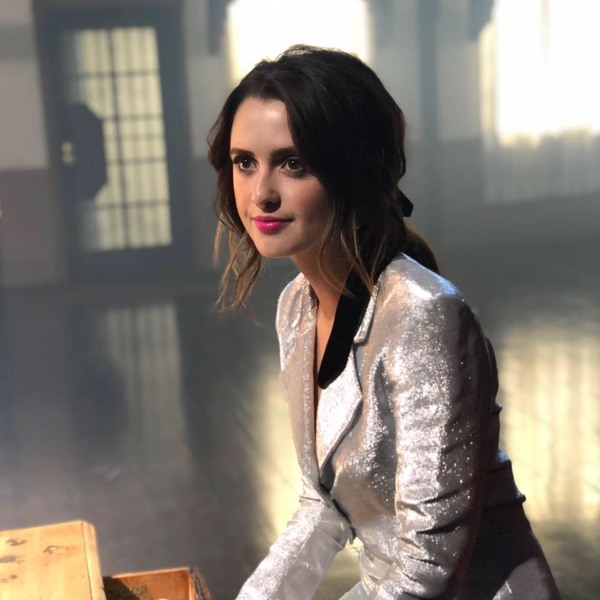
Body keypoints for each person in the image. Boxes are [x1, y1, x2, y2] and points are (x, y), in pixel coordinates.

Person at [208, 45, 560, 600]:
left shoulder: (425, 315)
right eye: (244, 162)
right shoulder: (296, 306)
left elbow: (429, 565)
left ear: (351, 171)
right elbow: (322, 505)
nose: (261, 193)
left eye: (293, 163)